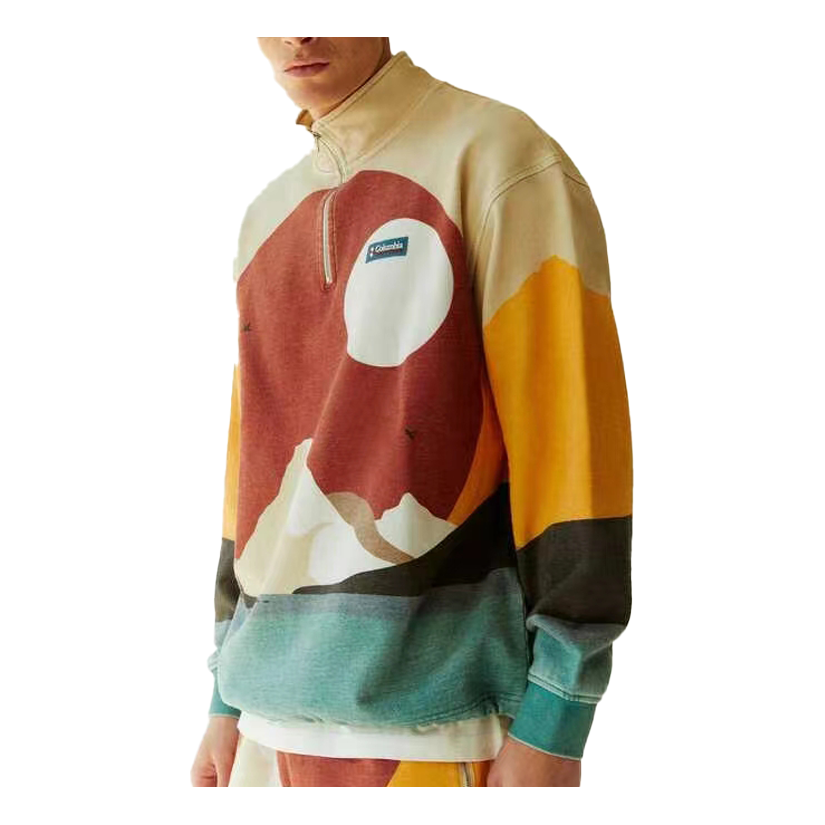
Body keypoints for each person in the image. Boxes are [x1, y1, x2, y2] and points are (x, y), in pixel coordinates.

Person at [190, 37, 633, 787]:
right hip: (263, 724)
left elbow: (572, 446)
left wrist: (559, 716)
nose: (298, 31)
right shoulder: (266, 214)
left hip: (439, 725)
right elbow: (254, 466)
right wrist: (224, 696)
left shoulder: (496, 158)